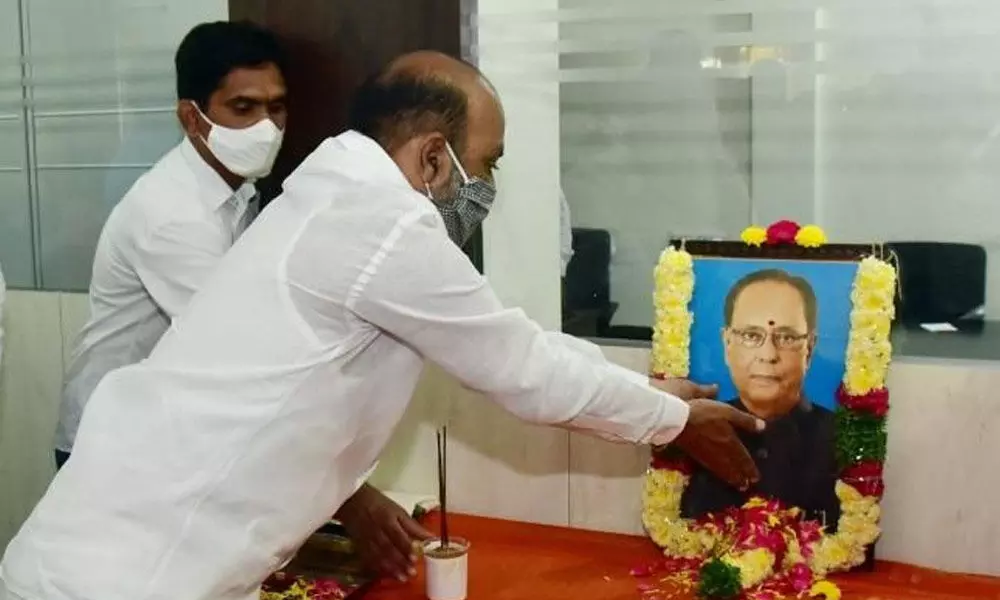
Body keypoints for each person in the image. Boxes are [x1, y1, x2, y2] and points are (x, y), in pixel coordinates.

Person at [0, 51, 762, 600]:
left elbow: (506, 334)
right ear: (433, 158)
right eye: (486, 165)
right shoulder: (381, 227)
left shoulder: (339, 198)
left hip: (134, 551)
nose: (488, 187)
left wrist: (644, 387)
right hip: (126, 574)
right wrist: (672, 421)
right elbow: (520, 370)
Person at [49, 21, 427, 583]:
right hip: (112, 450)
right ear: (191, 117)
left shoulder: (241, 193)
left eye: (277, 108)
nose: (267, 127)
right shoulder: (171, 218)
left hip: (174, 441)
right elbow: (252, 365)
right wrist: (352, 496)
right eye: (243, 108)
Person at [681, 269, 840, 528]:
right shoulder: (694, 429)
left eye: (787, 337)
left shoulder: (842, 439)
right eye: (751, 336)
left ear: (809, 350)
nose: (768, 354)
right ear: (726, 344)